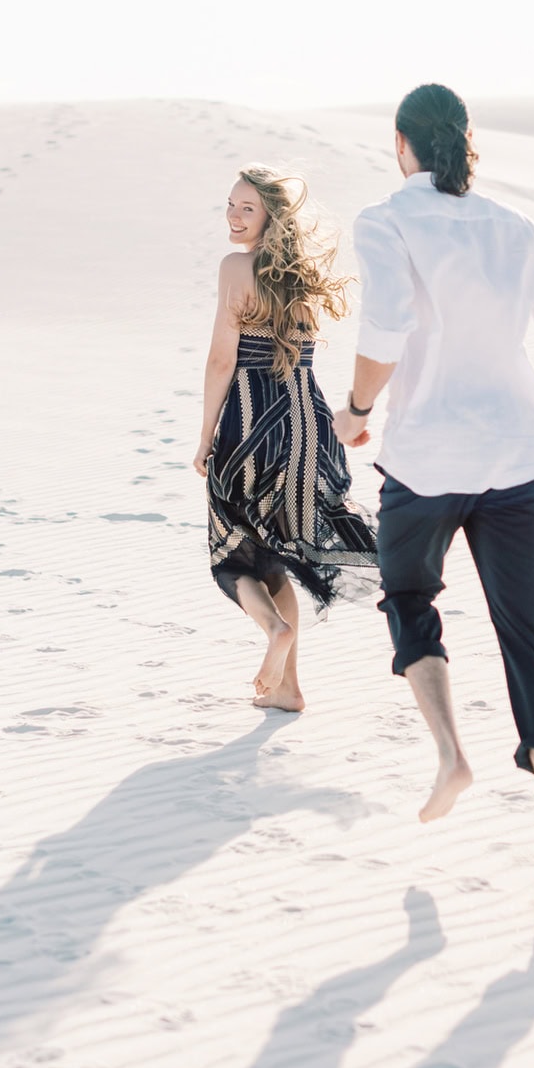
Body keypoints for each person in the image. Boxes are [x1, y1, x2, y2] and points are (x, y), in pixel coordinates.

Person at [331, 84, 534, 905]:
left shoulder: (386, 220)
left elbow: (385, 329)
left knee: (408, 590)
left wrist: (358, 410)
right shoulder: (519, 231)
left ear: (405, 146)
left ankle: (450, 754)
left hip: (427, 459)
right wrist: (519, 411)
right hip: (519, 460)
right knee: (530, 636)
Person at [196, 165, 379, 712]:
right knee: (276, 556)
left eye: (247, 208)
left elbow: (221, 359)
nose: (234, 215)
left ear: (271, 217)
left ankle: (275, 632)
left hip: (250, 423)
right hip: (306, 424)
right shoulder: (299, 277)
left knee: (232, 554)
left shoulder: (236, 267)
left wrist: (205, 438)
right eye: (230, 204)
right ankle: (288, 689)